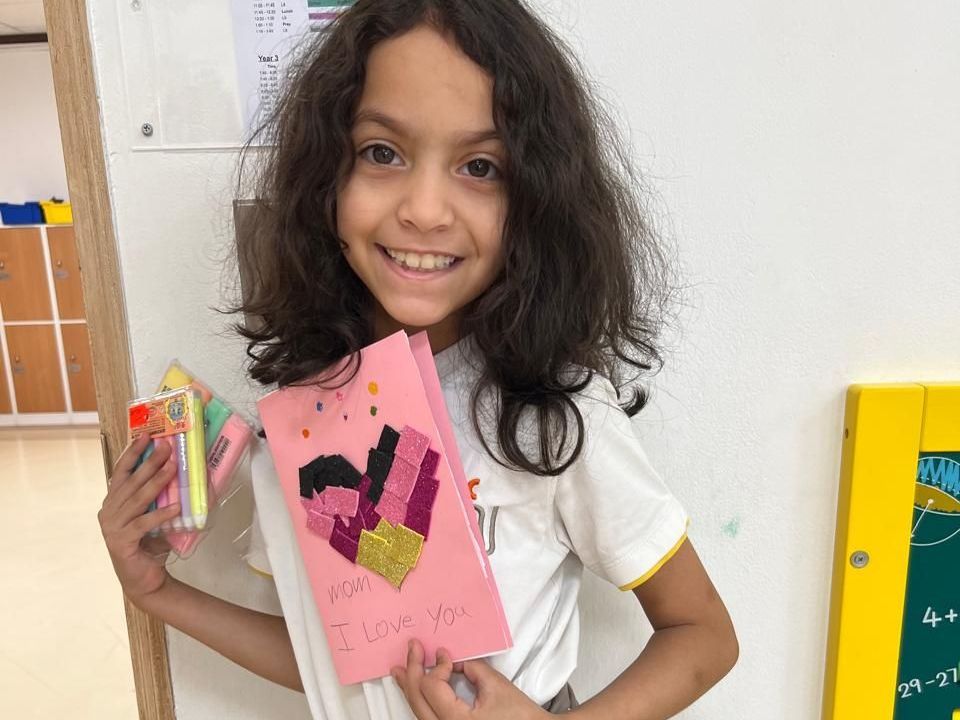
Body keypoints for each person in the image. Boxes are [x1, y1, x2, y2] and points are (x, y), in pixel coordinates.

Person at [98, 1, 738, 718]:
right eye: (381, 152)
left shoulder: (553, 418)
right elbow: (329, 659)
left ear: (535, 197)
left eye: (480, 165)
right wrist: (160, 596)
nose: (425, 210)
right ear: (325, 179)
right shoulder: (303, 424)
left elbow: (704, 635)